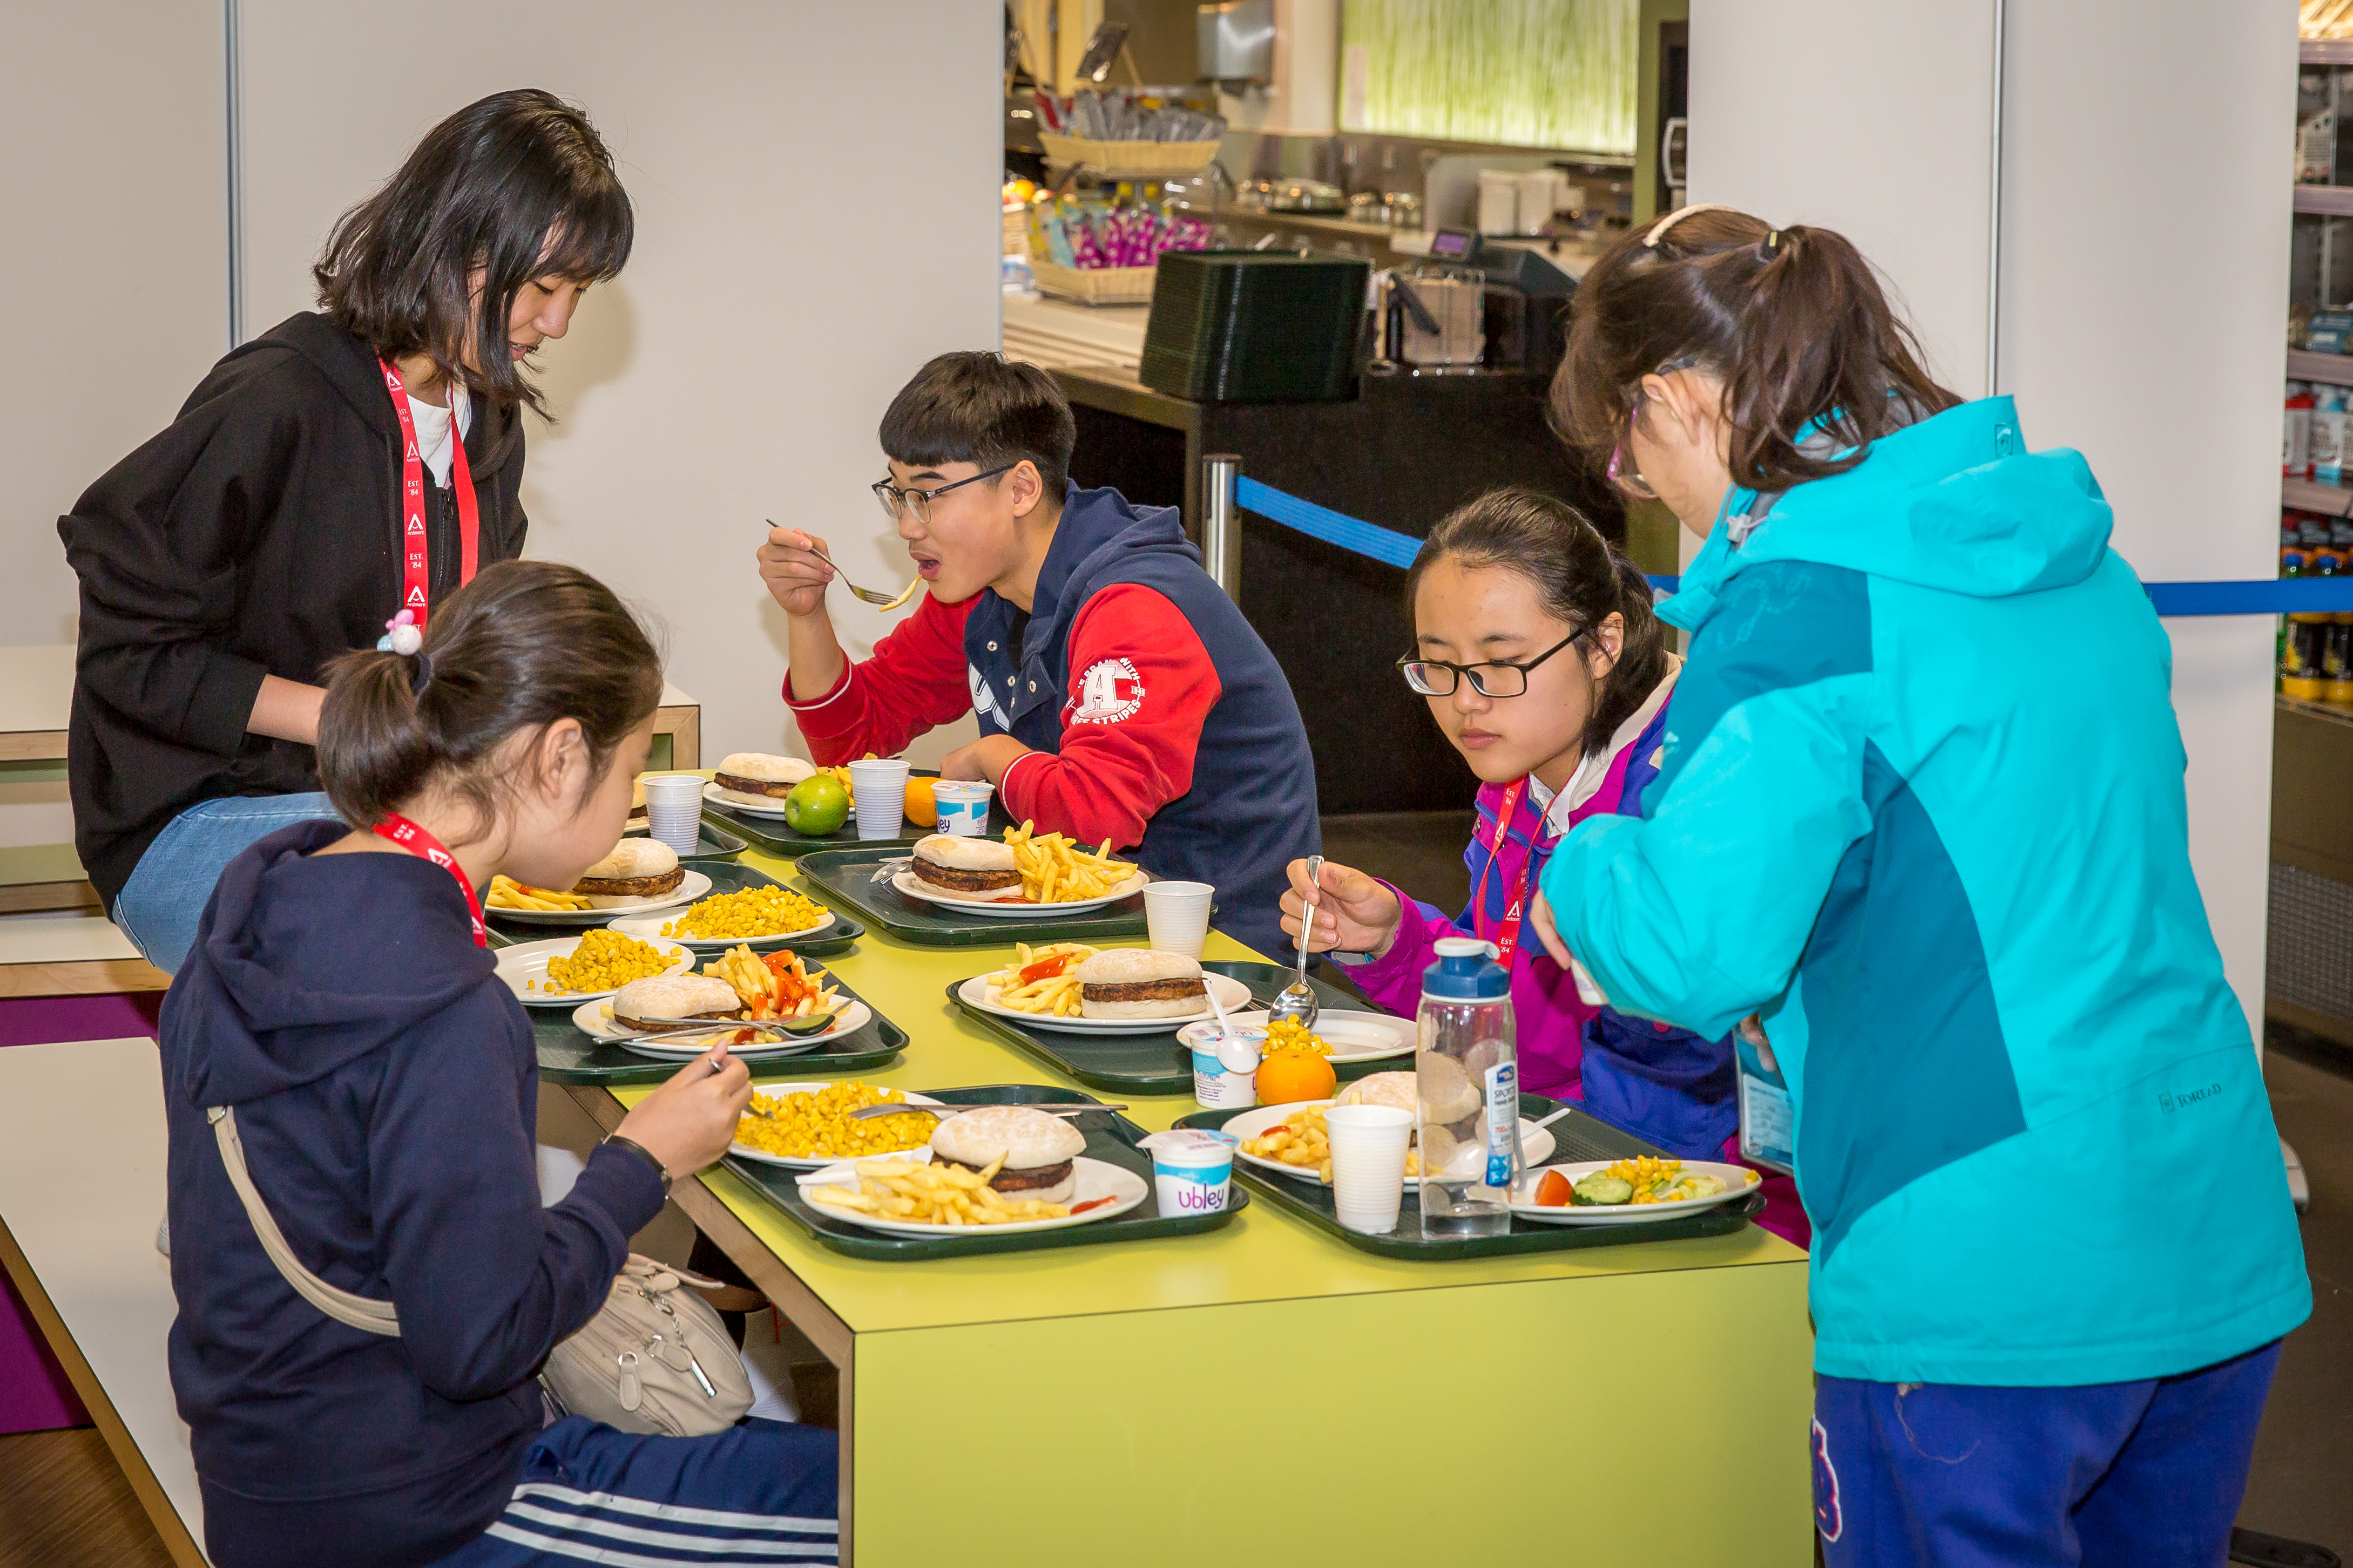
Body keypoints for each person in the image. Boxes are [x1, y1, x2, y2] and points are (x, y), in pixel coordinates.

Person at [1529, 204, 2308, 1565]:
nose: (1628, 476)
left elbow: (1688, 950)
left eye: (1623, 441)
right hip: (2203, 1223)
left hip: (1978, 1272)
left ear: (1666, 401)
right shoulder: (2070, 557)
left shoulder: (1799, 609)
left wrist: (1577, 849)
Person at [157, 560, 836, 1568]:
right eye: (629, 769)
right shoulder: (450, 1010)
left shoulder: (264, 905)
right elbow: (481, 1343)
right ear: (561, 756)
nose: (631, 799)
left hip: (273, 1479)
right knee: (898, 1496)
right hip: (423, 1506)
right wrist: (636, 1165)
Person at [60, 88, 632, 974]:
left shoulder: (490, 426)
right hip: (197, 813)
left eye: (577, 295)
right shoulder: (278, 397)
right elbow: (129, 657)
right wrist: (349, 719)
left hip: (379, 806)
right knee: (423, 887)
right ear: (458, 248)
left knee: (546, 869)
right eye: (545, 286)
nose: (557, 323)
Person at [1275, 488, 1805, 1246]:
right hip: (1568, 1161)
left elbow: (1644, 1050)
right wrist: (1392, 942)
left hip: (1715, 1207)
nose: (1464, 703)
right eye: (1437, 666)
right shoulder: (1527, 761)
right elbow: (1516, 1007)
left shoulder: (1690, 785)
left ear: (1602, 644)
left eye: (1498, 664)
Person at [758, 350, 1319, 959]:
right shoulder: (979, 591)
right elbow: (853, 744)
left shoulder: (1135, 606)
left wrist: (996, 755)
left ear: (1021, 488)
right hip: (1092, 928)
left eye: (928, 496)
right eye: (897, 495)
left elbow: (1097, 811)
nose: (906, 527)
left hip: (1224, 954)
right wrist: (805, 614)